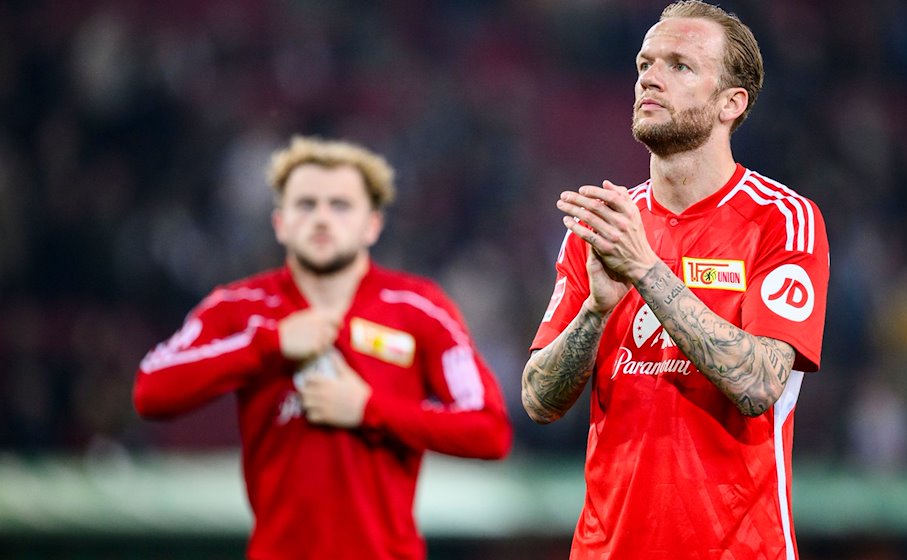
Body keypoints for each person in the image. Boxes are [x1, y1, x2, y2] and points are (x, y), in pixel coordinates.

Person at [522, 1, 829, 558]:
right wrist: (595, 311)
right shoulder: (605, 227)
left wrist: (646, 270)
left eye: (680, 66)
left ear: (730, 103)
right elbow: (538, 399)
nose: (651, 78)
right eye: (645, 64)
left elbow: (760, 385)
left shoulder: (782, 219)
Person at [133, 136, 513, 560]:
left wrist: (368, 409)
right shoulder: (239, 309)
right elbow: (150, 390)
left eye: (340, 205)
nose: (321, 218)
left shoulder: (419, 308)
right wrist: (270, 344)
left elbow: (489, 429)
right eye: (306, 204)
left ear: (373, 224)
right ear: (280, 222)